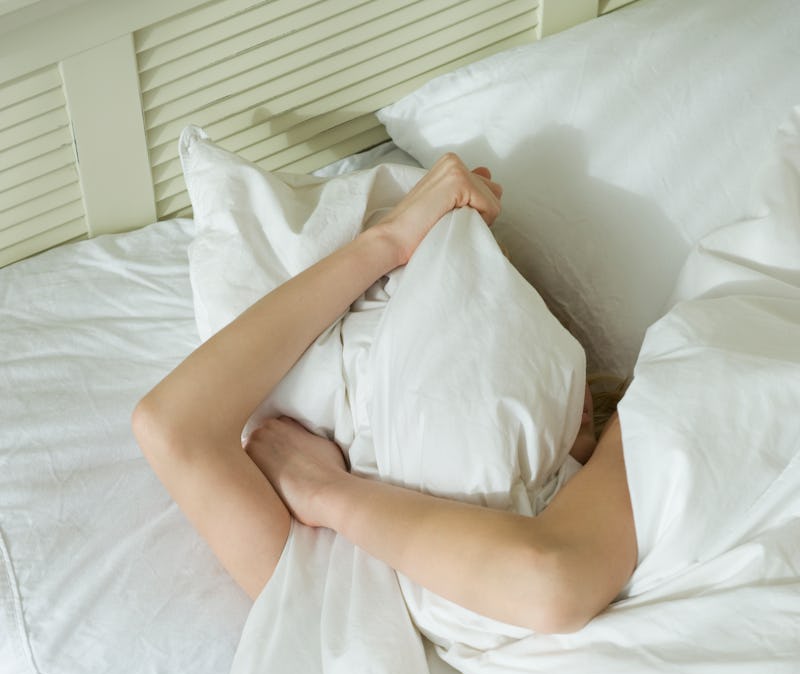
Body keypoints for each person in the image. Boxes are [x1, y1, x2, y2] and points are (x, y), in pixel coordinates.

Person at [132, 153, 637, 634]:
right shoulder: (350, 589)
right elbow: (171, 426)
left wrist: (327, 494)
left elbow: (551, 581)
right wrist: (387, 242)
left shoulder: (638, 444)